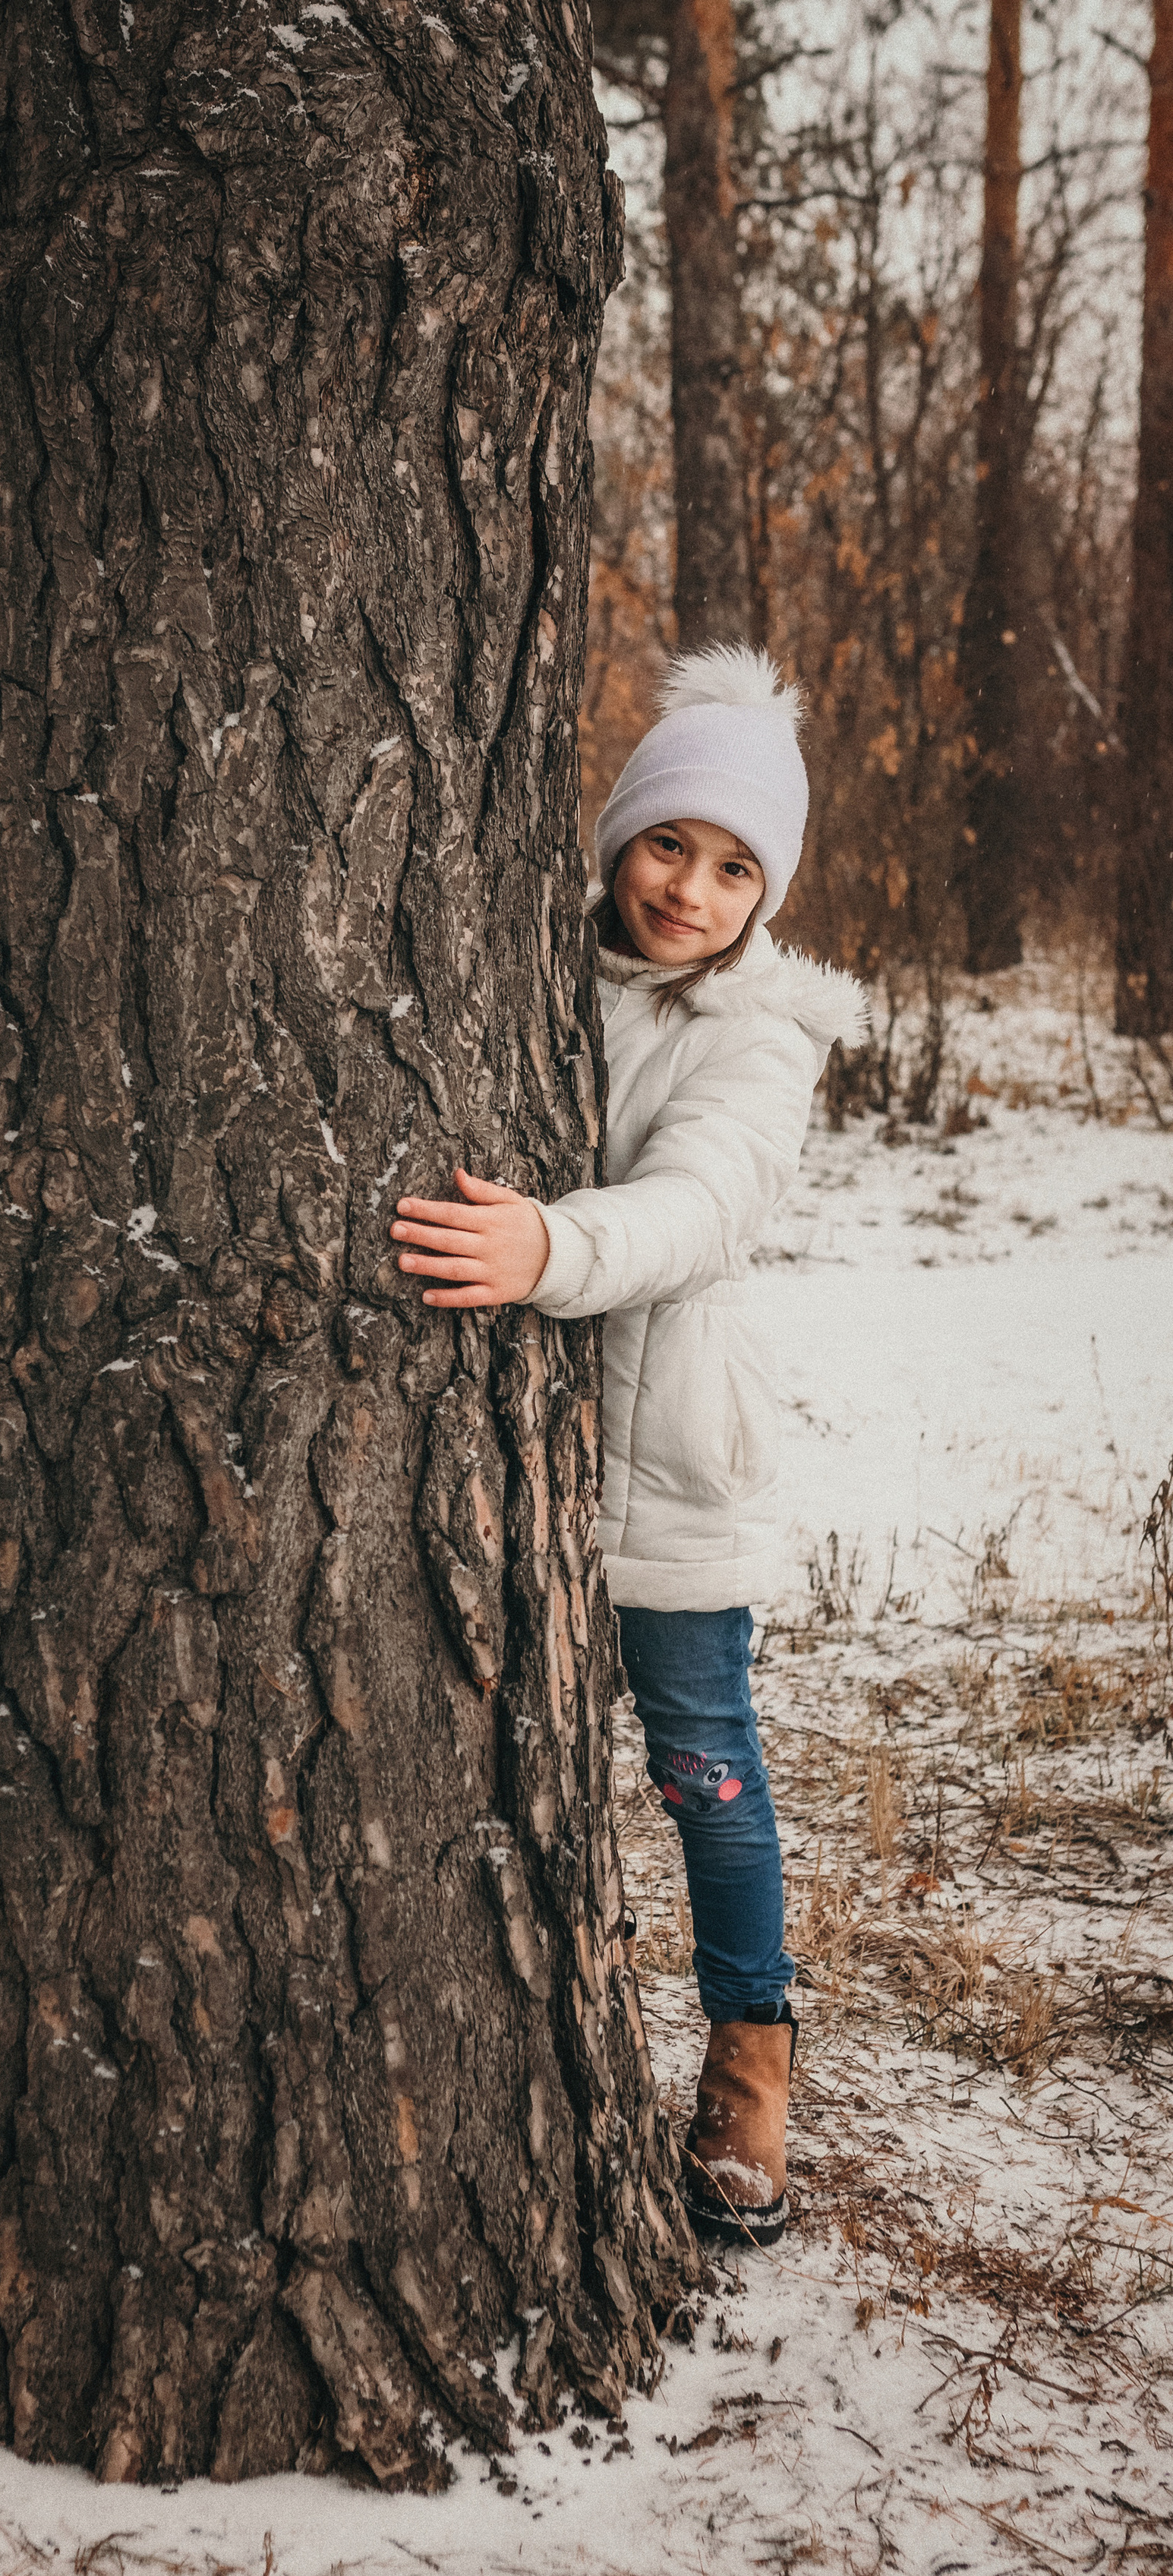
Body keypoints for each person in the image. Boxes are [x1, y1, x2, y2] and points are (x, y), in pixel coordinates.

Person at [389, 645, 868, 2247]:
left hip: (660, 1459)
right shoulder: (509, 955)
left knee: (701, 1767)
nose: (689, 888)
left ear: (766, 896)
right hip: (500, 1460)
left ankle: (749, 2055)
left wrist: (547, 1250)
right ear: (615, 833)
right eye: (669, 842)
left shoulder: (759, 1037)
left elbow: (702, 1202)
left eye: (735, 868)